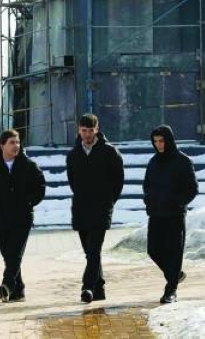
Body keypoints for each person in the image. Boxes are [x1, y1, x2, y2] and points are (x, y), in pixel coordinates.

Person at [0, 129, 47, 303]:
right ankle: (19, 290)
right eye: (12, 143)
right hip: (1, 217)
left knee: (15, 253)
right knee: (8, 254)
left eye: (17, 142)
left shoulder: (29, 165)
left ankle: (6, 285)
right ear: (2, 145)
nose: (16, 146)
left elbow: (40, 187)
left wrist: (29, 202)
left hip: (23, 217)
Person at [66, 113, 125, 304]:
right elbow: (72, 182)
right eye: (84, 130)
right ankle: (99, 289)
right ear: (79, 130)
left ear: (97, 129)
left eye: (91, 130)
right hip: (81, 209)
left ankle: (87, 288)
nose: (87, 134)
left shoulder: (110, 152)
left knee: (94, 250)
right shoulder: (73, 154)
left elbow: (118, 181)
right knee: (89, 252)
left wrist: (108, 201)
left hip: (102, 208)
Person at [143, 124, 198, 304]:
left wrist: (177, 202)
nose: (159, 145)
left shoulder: (183, 161)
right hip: (156, 214)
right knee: (153, 250)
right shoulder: (153, 162)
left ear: (169, 140)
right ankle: (176, 275)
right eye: (156, 142)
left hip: (174, 215)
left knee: (174, 252)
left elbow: (192, 189)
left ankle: (171, 290)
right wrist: (149, 200)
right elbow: (147, 185)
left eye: (162, 141)